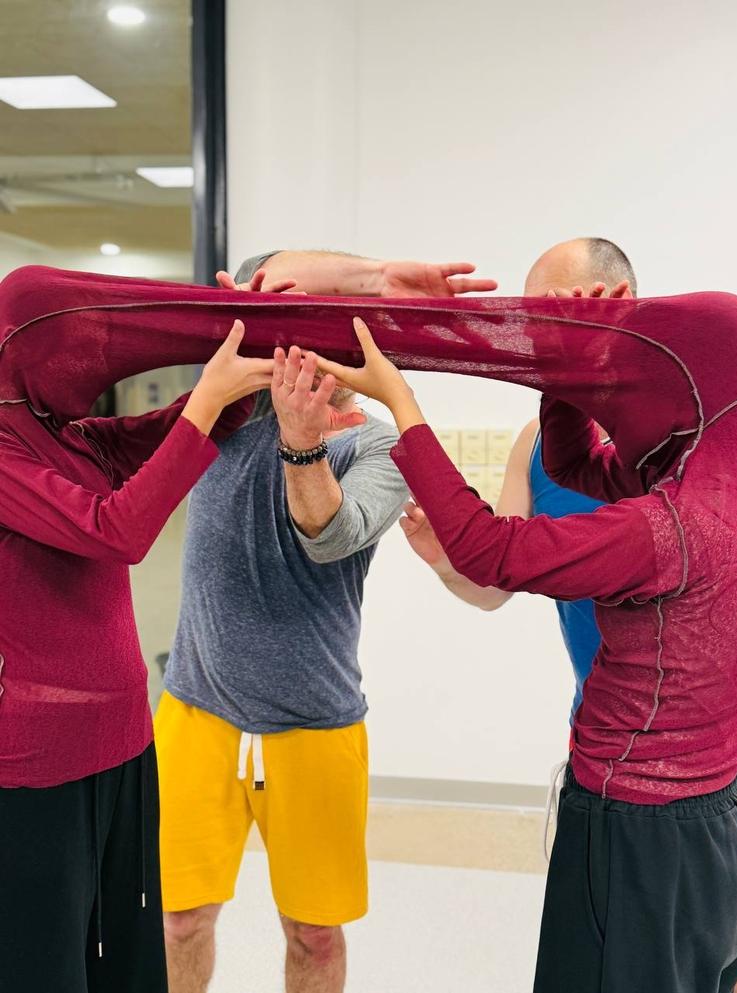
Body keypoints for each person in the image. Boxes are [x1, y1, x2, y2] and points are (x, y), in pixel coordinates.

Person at [312, 286, 737, 992]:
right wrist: (564, 367)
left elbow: (488, 551)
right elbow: (573, 467)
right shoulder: (715, 483)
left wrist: (402, 402)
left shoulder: (670, 527)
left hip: (637, 823)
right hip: (716, 808)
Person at [155, 251, 496, 993]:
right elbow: (270, 266)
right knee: (179, 918)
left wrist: (302, 443)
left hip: (315, 723)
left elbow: (329, 536)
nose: (308, 349)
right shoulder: (226, 406)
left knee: (313, 933)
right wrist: (379, 275)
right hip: (195, 711)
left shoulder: (378, 444)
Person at [0, 276, 291, 990]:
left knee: (124, 955)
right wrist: (210, 397)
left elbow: (191, 428)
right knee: (45, 961)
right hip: (39, 763)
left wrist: (246, 355)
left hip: (125, 743)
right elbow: (116, 531)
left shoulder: (69, 435)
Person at [400, 238, 635, 725]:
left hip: (712, 749)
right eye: (533, 317)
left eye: (556, 309)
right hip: (597, 734)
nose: (539, 333)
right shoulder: (535, 442)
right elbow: (494, 588)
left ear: (619, 302)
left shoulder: (692, 434)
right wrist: (447, 561)